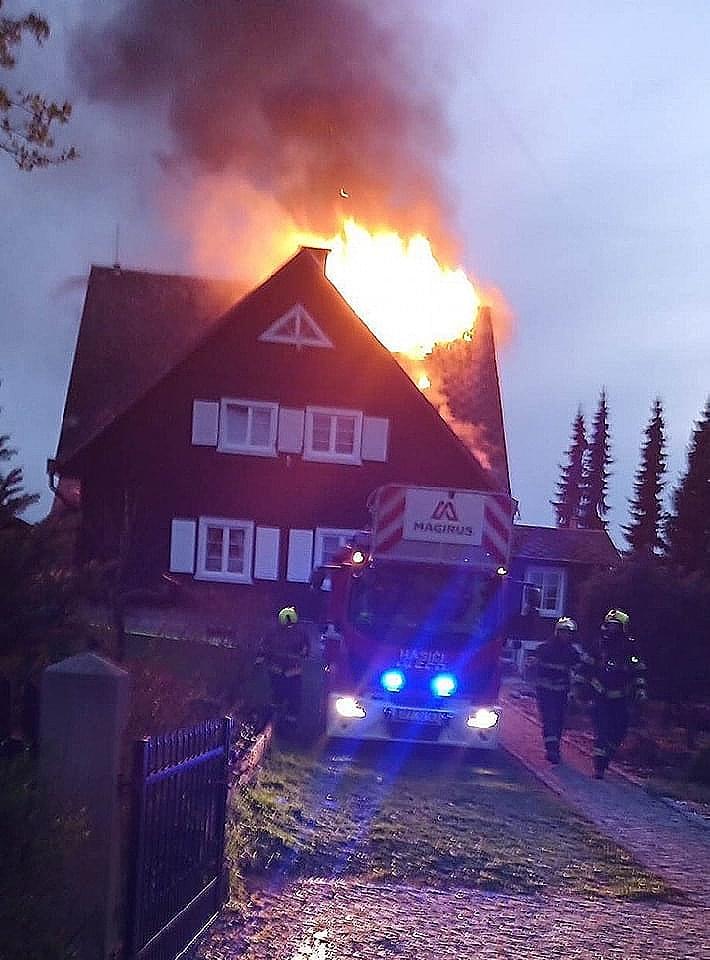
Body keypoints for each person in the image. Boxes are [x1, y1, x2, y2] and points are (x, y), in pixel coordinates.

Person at [573, 608, 647, 779]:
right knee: (602, 731)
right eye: (610, 625)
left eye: (616, 625)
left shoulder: (630, 648)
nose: (612, 628)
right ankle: (599, 767)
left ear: (623, 627)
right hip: (600, 696)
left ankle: (607, 757)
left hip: (621, 697)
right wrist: (578, 686)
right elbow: (586, 666)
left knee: (619, 731)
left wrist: (640, 690)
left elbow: (638, 671)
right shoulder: (598, 645)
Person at [532, 616, 580, 764]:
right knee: (550, 719)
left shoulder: (573, 653)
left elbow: (578, 672)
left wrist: (576, 690)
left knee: (559, 720)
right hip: (546, 691)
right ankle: (551, 750)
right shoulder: (544, 649)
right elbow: (535, 667)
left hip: (562, 692)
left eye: (569, 633)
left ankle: (555, 747)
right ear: (557, 632)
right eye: (563, 632)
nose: (566, 635)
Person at [258, 606, 310, 723]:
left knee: (287, 695)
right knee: (282, 694)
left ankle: (287, 718)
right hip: (282, 669)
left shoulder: (299, 633)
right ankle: (281, 717)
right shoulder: (274, 632)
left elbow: (305, 651)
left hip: (287, 670)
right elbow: (264, 647)